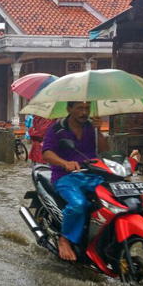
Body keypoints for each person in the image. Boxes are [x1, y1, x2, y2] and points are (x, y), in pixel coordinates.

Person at [42, 101, 108, 261]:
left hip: (92, 174)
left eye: (87, 108)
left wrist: (98, 131)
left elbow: (106, 150)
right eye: (79, 108)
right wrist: (65, 163)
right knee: (79, 204)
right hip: (65, 177)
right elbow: (47, 153)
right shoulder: (57, 129)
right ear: (69, 109)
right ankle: (65, 239)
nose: (84, 112)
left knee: (111, 201)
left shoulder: (92, 127)